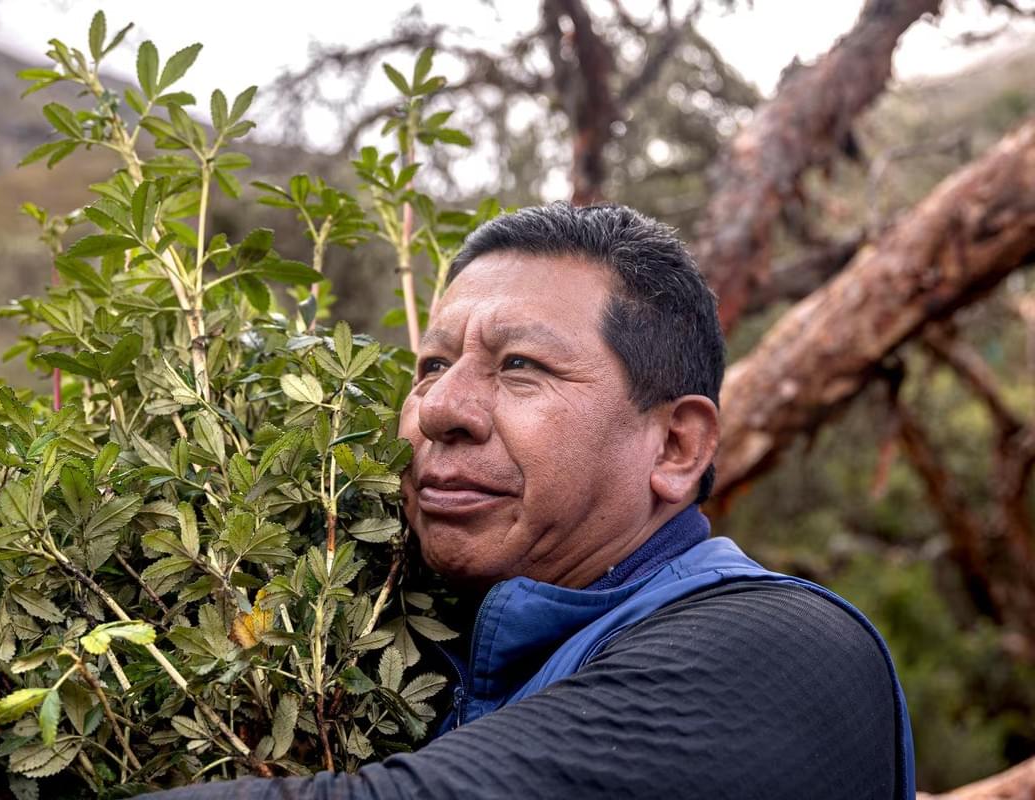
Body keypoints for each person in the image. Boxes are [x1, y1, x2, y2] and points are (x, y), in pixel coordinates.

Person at [149, 203, 915, 799]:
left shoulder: (779, 650)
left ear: (677, 448)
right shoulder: (406, 640)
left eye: (521, 365)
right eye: (432, 365)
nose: (441, 408)